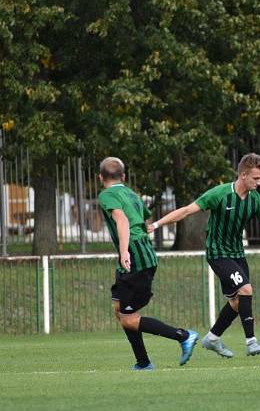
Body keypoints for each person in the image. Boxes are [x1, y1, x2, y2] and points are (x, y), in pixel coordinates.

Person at [148, 153, 260, 358]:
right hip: (218, 253)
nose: (259, 182)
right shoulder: (220, 194)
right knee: (246, 289)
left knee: (237, 302)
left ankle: (212, 338)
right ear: (243, 175)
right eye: (256, 178)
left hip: (237, 255)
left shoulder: (256, 201)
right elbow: (187, 211)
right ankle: (251, 341)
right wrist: (155, 225)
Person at [98, 157, 198, 370]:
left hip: (135, 257)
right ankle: (143, 362)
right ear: (123, 177)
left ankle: (184, 336)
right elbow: (143, 222)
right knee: (119, 309)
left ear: (100, 178)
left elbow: (122, 220)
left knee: (128, 319)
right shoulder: (132, 194)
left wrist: (124, 250)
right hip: (139, 254)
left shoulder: (107, 195)